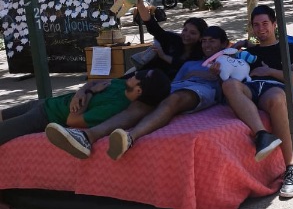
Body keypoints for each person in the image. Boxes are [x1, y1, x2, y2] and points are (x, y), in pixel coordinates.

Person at [45, 26, 231, 161]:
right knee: (143, 102)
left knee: (175, 99)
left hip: (203, 90)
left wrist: (218, 76)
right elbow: (175, 81)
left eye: (212, 41)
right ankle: (88, 137)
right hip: (180, 85)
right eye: (204, 41)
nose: (207, 45)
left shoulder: (230, 60)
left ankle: (130, 137)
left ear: (224, 43)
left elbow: (231, 89)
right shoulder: (191, 63)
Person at [221, 4, 293, 198]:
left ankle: (291, 170)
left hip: (272, 87)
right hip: (251, 86)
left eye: (265, 24)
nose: (261, 29)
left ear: (274, 24)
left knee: (277, 99)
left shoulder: (287, 48)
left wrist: (269, 71)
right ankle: (262, 134)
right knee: (228, 85)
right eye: (256, 25)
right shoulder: (250, 50)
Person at [0, 69, 170, 149]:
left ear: (139, 90)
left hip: (44, 116)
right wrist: (82, 90)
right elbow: (93, 82)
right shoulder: (121, 85)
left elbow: (72, 121)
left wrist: (87, 93)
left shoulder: (115, 108)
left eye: (137, 77)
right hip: (45, 103)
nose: (133, 75)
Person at [134, 0, 207, 79]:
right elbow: (153, 27)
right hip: (146, 76)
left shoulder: (201, 53)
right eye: (185, 30)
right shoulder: (172, 39)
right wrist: (140, 6)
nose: (187, 34)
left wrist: (164, 56)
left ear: (201, 37)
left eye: (193, 33)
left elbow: (185, 67)